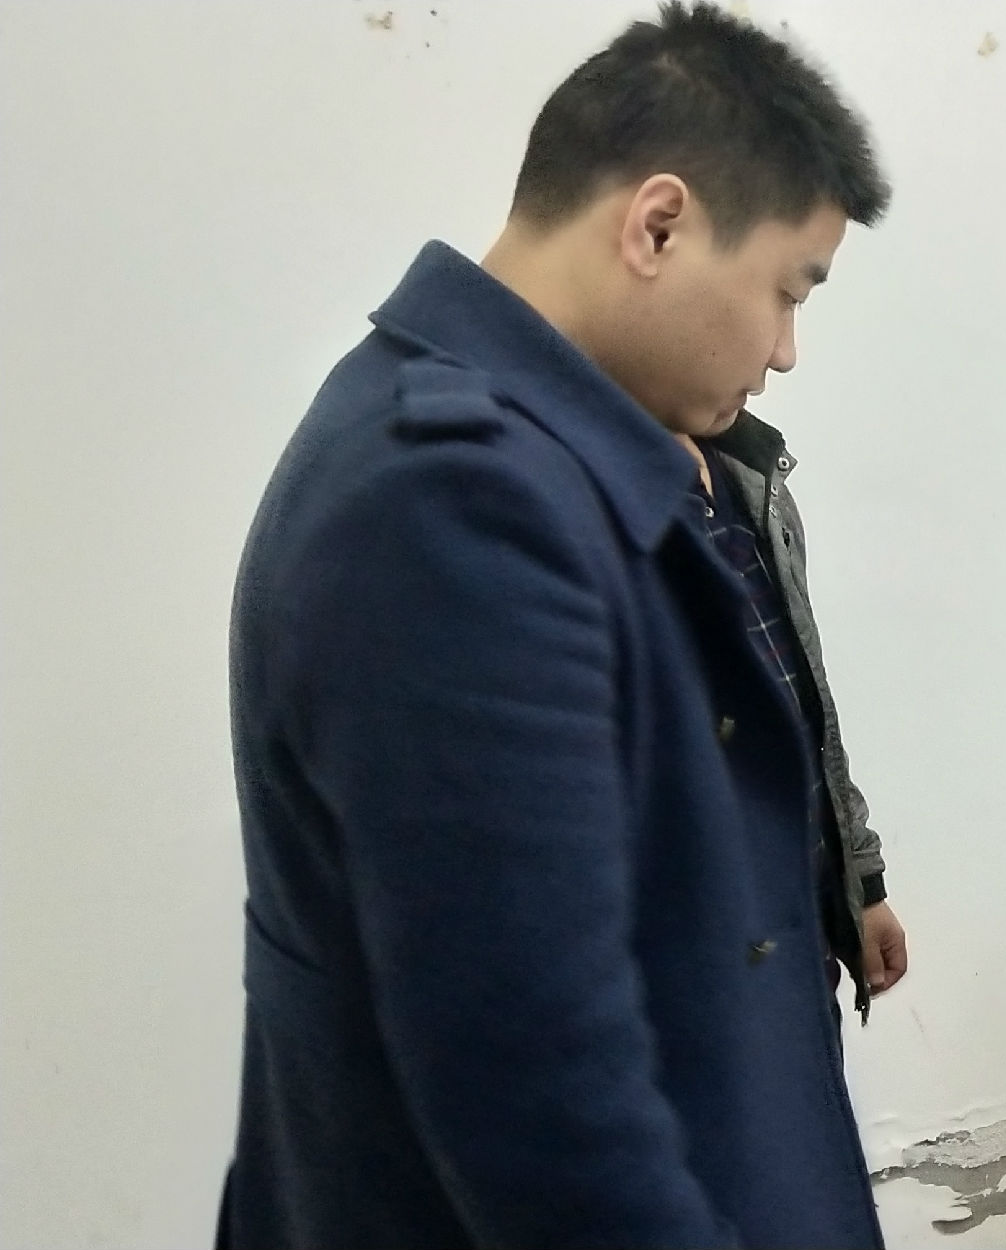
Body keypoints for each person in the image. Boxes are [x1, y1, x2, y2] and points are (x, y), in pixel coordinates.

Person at [220, 5, 900, 1245]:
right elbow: (542, 1093)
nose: (786, 350)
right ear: (657, 225)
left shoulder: (565, 457)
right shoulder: (448, 502)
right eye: (786, 291)